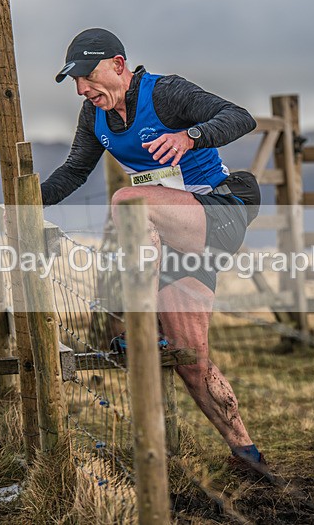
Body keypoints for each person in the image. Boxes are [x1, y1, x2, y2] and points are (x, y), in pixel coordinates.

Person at [41, 28, 270, 478]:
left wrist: (191, 135)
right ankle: (248, 456)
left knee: (127, 202)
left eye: (87, 76)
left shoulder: (165, 93)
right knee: (191, 360)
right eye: (75, 82)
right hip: (170, 240)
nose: (82, 89)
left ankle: (139, 329)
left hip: (218, 211)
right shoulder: (95, 117)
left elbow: (241, 117)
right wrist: (24, 198)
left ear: (119, 65)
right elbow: (73, 172)